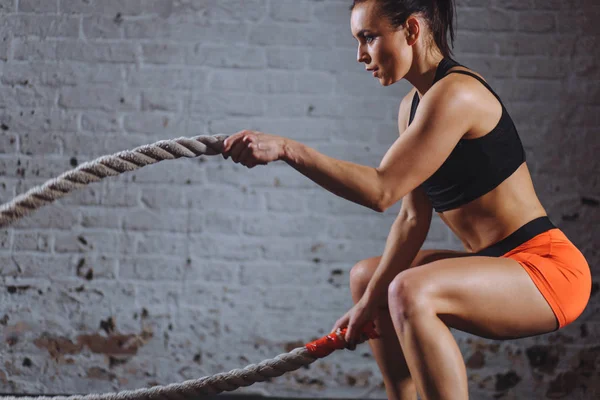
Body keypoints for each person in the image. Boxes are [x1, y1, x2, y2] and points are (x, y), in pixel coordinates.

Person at [221, 0, 591, 398]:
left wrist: (288, 149)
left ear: (412, 30)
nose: (360, 54)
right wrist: (367, 305)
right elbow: (412, 218)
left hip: (547, 270)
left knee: (407, 290)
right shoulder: (412, 108)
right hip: (499, 264)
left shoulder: (457, 94)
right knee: (367, 280)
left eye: (369, 37)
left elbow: (382, 190)